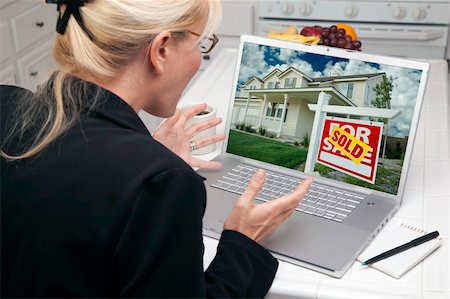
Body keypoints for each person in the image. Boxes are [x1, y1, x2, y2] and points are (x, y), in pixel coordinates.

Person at [1, 0, 312, 297]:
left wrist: (147, 154)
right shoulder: (162, 183)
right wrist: (242, 243)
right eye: (200, 45)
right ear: (161, 49)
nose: (198, 59)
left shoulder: (6, 103)